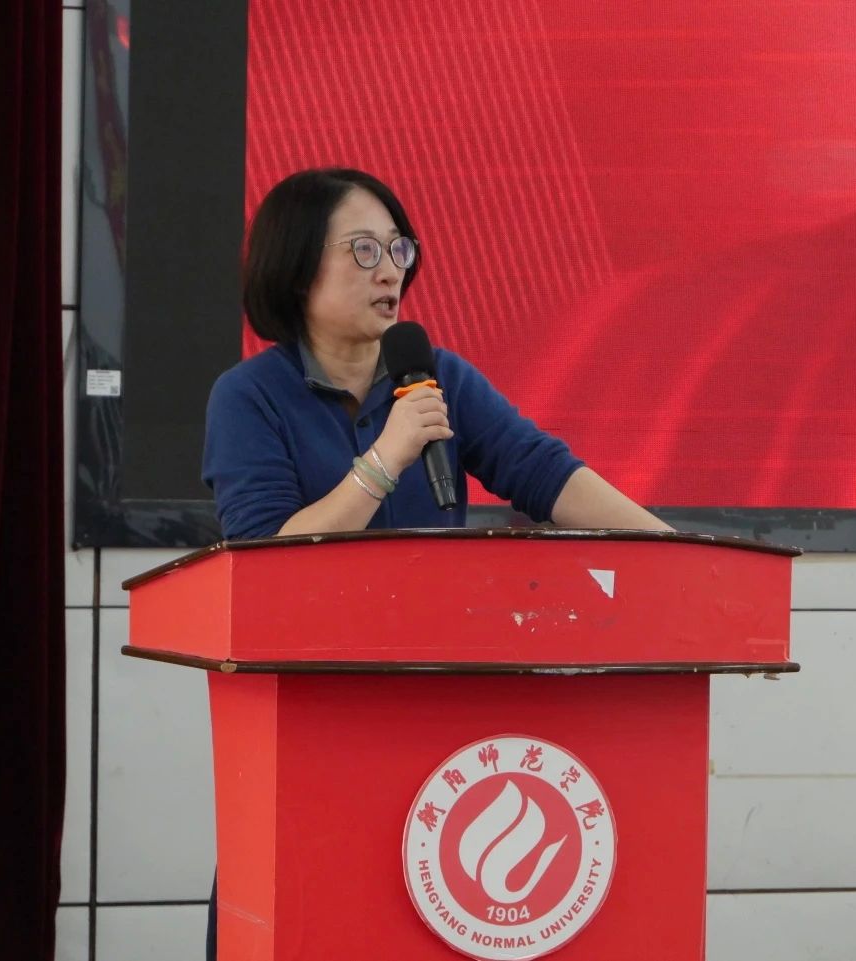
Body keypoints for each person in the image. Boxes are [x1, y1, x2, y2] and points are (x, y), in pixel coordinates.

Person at [200, 167, 670, 959]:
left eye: (399, 249)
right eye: (363, 250)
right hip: (308, 721)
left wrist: (675, 549)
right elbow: (264, 558)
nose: (390, 270)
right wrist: (385, 457)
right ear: (297, 266)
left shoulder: (438, 377)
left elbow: (541, 471)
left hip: (433, 719)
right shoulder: (249, 397)